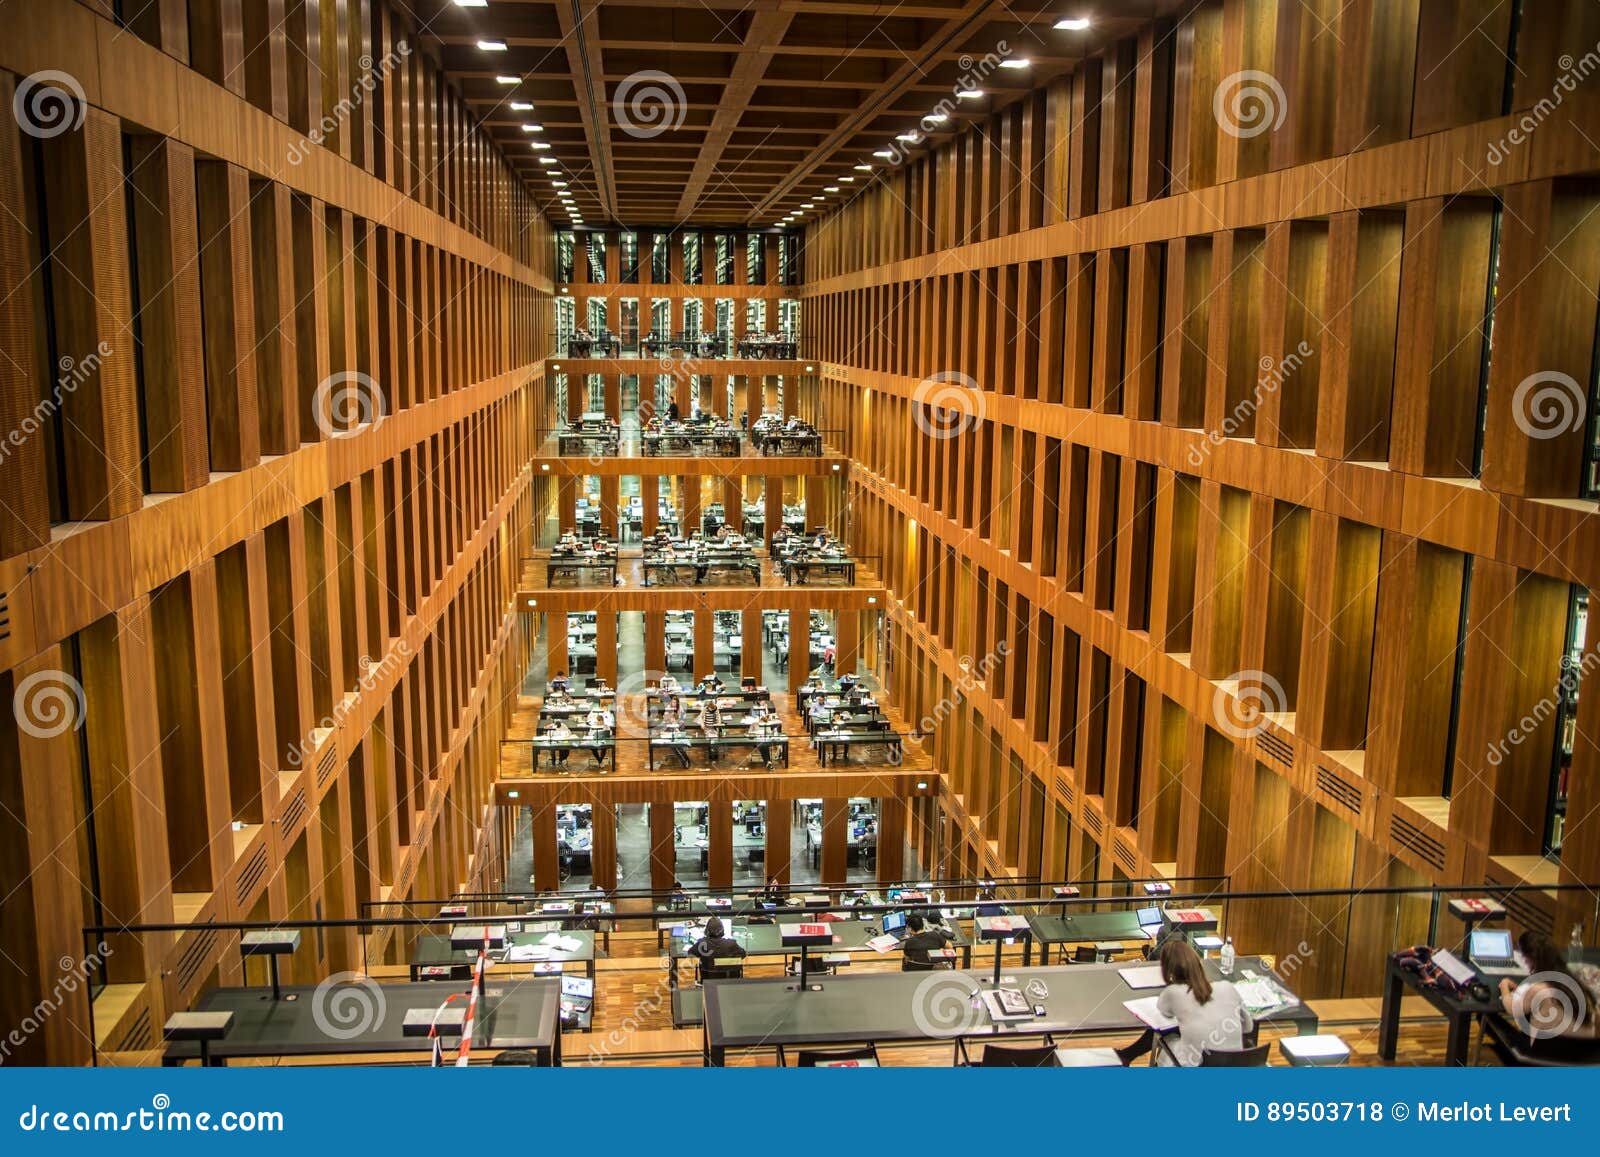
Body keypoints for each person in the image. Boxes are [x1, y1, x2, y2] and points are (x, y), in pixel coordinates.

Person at [1115, 940, 1253, 1066]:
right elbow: (1248, 1027)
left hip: (1193, 1067)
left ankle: (1127, 1056)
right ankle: (1126, 1055)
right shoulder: (1227, 986)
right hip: (1234, 1066)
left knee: (1165, 1033)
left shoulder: (1173, 992)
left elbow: (1164, 1011)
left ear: (1168, 970)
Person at [1498, 931, 1600, 1038]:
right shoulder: (1578, 985)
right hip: (1584, 1052)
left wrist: (1504, 985)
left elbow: (1511, 1008)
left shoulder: (1537, 990)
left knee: (1490, 1018)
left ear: (1529, 959)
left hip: (1542, 1052)